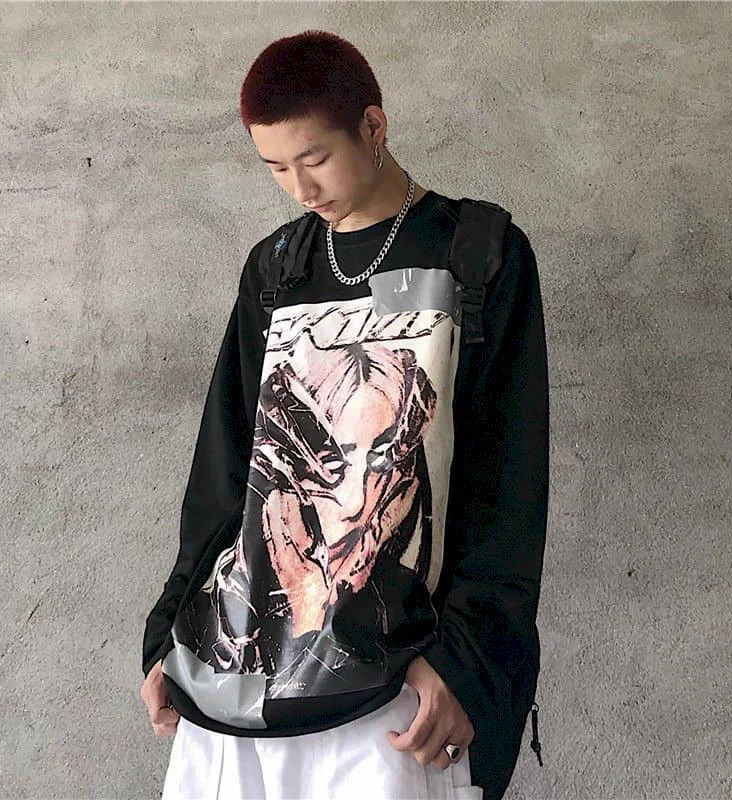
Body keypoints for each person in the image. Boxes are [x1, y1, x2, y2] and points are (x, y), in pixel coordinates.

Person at [140, 29, 549, 800]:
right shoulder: (276, 269)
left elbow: (507, 484)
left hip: (394, 679)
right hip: (246, 673)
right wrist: (169, 632)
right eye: (275, 168)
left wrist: (463, 661)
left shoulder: (476, 252)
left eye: (315, 158)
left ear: (373, 125)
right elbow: (226, 470)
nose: (300, 188)